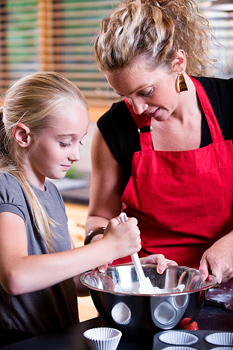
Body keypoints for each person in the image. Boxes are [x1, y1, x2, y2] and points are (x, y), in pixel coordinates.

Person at [85, 0, 233, 285]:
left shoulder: (229, 104)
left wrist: (230, 246)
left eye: (146, 91)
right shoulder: (114, 129)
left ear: (178, 63)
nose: (138, 109)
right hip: (150, 287)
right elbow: (98, 218)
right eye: (127, 97)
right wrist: (100, 242)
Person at [0, 71, 148, 346]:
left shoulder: (51, 193)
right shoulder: (6, 186)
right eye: (64, 142)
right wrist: (105, 248)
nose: (76, 155)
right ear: (22, 135)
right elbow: (16, 276)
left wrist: (131, 272)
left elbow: (74, 282)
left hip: (57, 337)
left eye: (78, 142)